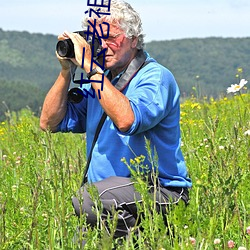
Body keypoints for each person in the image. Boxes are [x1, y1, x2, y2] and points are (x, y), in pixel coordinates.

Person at [40, 0, 192, 244]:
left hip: (159, 191)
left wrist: (91, 68)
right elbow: (49, 123)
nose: (102, 45)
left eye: (110, 37)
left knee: (88, 199)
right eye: (96, 38)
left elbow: (127, 120)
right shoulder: (99, 82)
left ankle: (147, 241)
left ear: (133, 39)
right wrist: (66, 71)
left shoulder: (154, 77)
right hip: (110, 199)